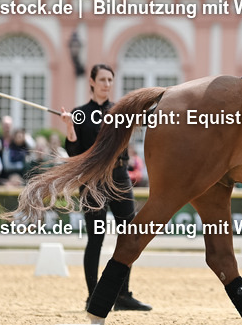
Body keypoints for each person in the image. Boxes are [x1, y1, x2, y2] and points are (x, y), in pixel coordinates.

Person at [62, 63, 151, 312]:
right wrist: (70, 128)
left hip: (120, 177)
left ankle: (122, 295)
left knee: (128, 237)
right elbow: (74, 153)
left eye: (110, 80)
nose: (106, 84)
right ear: (91, 82)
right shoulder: (79, 113)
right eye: (102, 80)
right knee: (96, 239)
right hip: (93, 181)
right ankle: (93, 297)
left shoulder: (120, 111)